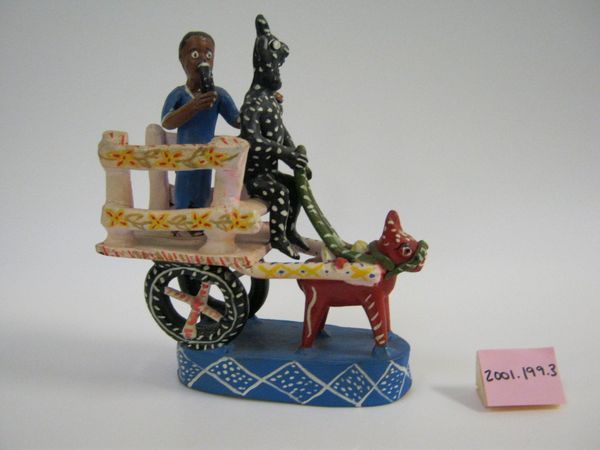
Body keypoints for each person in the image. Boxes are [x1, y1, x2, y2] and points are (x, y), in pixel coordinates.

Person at [162, 31, 240, 209]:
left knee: (202, 197)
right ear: (182, 59)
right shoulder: (179, 94)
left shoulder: (217, 95)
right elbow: (167, 121)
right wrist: (193, 106)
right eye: (195, 54)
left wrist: (262, 103)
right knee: (183, 196)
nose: (203, 59)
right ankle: (181, 219)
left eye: (209, 55)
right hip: (184, 159)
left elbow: (237, 120)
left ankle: (200, 222)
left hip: (207, 159)